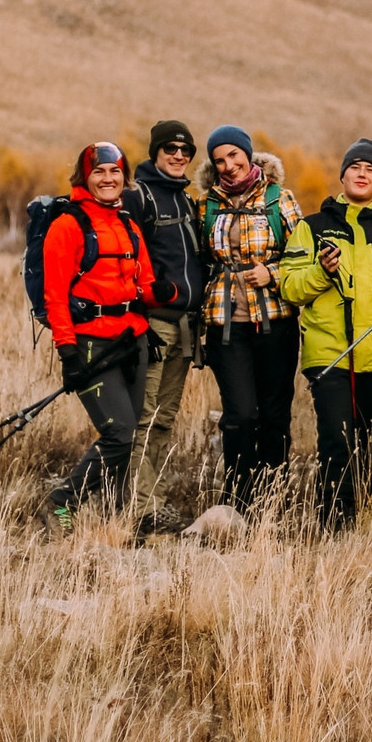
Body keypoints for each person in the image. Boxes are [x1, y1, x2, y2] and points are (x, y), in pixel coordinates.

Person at [278, 139, 372, 529]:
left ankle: (361, 513)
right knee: (336, 440)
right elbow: (291, 287)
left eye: (371, 170)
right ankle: (333, 523)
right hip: (329, 355)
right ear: (342, 174)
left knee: (371, 443)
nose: (363, 174)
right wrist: (322, 272)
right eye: (356, 167)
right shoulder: (310, 228)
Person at [41, 143, 158, 529]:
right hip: (91, 343)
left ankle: (116, 520)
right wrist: (68, 353)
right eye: (99, 172)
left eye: (115, 172)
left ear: (125, 178)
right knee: (118, 434)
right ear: (84, 177)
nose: (108, 179)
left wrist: (168, 297)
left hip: (133, 341)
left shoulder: (128, 223)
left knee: (129, 436)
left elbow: (145, 282)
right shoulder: (67, 226)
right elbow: (55, 295)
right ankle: (61, 503)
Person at [198, 125, 304, 516]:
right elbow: (199, 260)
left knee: (274, 414)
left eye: (233, 156)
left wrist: (272, 273)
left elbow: (302, 256)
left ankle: (272, 500)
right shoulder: (206, 204)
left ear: (248, 153)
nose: (228, 166)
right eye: (219, 160)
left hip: (276, 321)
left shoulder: (281, 200)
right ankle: (238, 503)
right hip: (224, 322)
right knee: (240, 415)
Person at [120, 120, 207, 532]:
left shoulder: (187, 200)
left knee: (165, 417)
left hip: (186, 327)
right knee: (145, 417)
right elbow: (122, 260)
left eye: (186, 149)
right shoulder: (138, 197)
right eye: (170, 148)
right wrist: (148, 302)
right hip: (153, 325)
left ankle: (149, 501)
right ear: (155, 151)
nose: (178, 155)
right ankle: (138, 510)